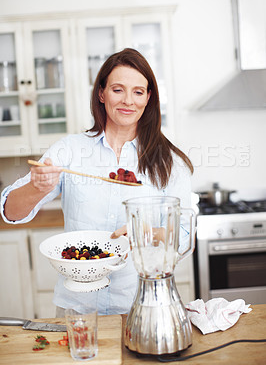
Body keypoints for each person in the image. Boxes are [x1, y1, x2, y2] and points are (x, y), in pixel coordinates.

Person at [0, 48, 193, 316]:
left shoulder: (170, 162)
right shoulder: (69, 150)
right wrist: (37, 187)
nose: (128, 100)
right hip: (79, 309)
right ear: (101, 93)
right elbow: (10, 212)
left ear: (148, 98)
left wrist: (149, 233)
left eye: (138, 92)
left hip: (142, 307)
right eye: (118, 89)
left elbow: (186, 235)